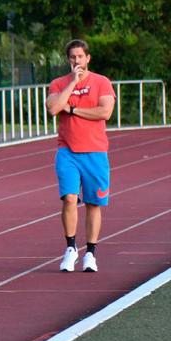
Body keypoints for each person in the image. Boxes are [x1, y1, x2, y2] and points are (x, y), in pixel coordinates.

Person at [45, 39, 114, 273]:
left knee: (94, 203)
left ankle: (91, 253)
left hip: (95, 152)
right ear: (68, 60)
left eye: (80, 57)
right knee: (70, 199)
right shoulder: (58, 83)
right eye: (73, 57)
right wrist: (73, 83)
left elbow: (105, 112)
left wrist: (73, 110)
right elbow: (54, 108)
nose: (77, 61)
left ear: (88, 58)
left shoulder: (101, 82)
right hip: (68, 151)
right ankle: (71, 248)